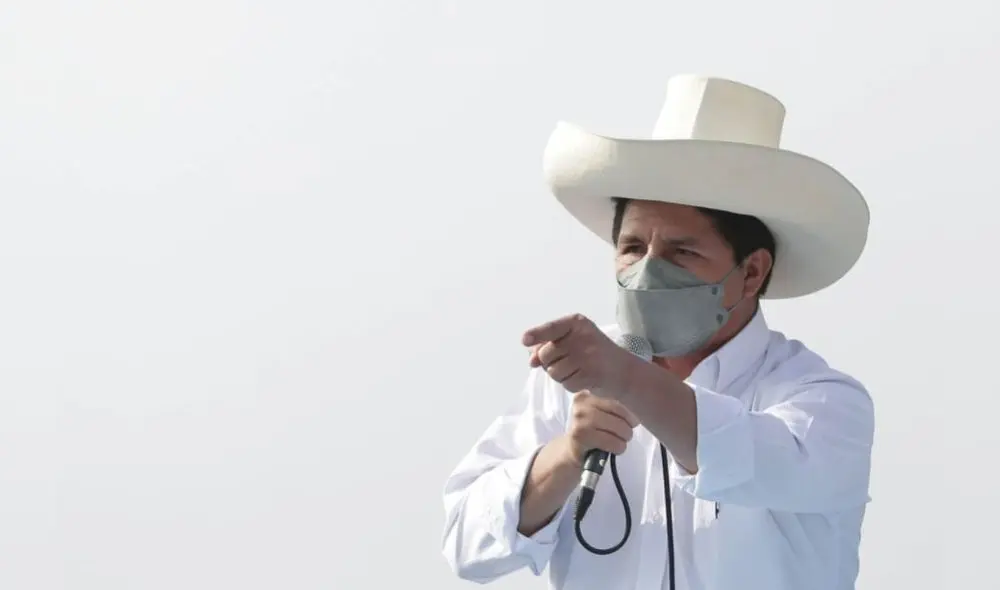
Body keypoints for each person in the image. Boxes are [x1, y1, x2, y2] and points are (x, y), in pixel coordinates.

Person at [440, 75, 874, 590]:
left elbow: (750, 456)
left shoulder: (823, 400)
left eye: (681, 252)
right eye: (631, 248)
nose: (647, 269)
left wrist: (626, 378)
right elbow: (467, 545)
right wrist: (567, 453)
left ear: (752, 272)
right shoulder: (575, 380)